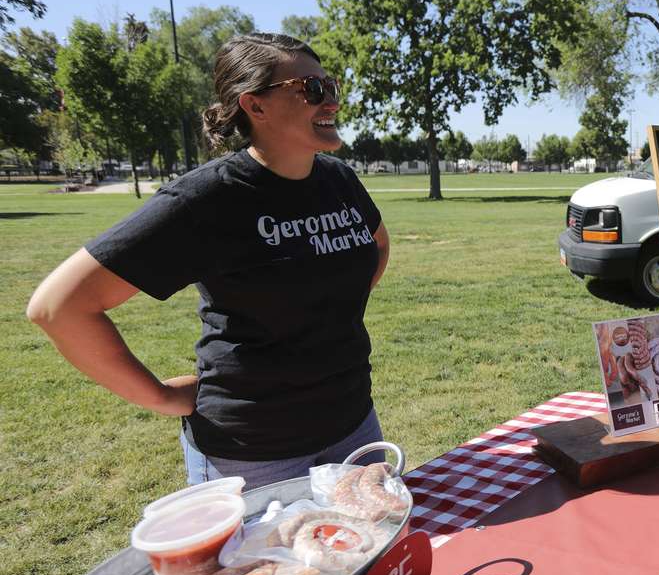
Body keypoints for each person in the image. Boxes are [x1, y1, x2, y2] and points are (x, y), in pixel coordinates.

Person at [27, 33, 392, 490]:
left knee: (377, 557)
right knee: (270, 566)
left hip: (354, 427)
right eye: (311, 90)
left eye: (331, 87)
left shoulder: (338, 179)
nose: (331, 104)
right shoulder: (208, 198)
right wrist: (159, 397)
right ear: (254, 106)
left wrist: (329, 299)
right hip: (254, 454)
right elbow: (59, 306)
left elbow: (376, 244)